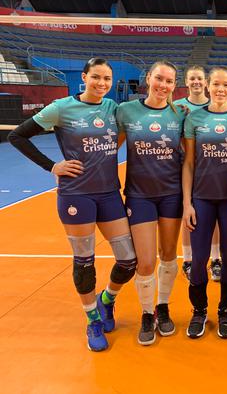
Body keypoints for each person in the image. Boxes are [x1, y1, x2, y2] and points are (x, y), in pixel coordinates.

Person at [8, 58, 136, 352]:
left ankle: (107, 300)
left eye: (106, 79)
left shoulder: (113, 109)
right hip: (76, 194)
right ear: (84, 77)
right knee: (85, 262)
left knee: (128, 260)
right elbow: (17, 135)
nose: (101, 83)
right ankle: (92, 319)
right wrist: (53, 166)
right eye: (96, 77)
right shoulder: (61, 107)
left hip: (109, 193)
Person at [117, 60, 184, 346]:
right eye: (159, 78)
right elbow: (109, 148)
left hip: (171, 194)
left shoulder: (180, 113)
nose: (163, 85)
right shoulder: (126, 111)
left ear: (173, 85)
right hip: (139, 195)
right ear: (148, 78)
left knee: (168, 255)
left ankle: (163, 306)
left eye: (169, 81)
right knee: (145, 262)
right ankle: (147, 313)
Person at [182, 67, 227, 339]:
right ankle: (199, 311)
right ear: (207, 86)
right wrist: (187, 203)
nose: (220, 89)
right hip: (202, 199)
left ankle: (225, 311)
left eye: (226, 85)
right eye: (216, 84)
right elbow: (188, 163)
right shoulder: (194, 119)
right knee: (198, 261)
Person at [173, 65, 210, 281]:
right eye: (192, 79)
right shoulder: (177, 108)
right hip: (185, 166)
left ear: (205, 82)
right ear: (186, 82)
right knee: (188, 213)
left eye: (199, 78)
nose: (196, 82)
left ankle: (215, 259)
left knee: (211, 216)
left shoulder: (216, 105)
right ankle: (188, 259)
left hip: (210, 167)